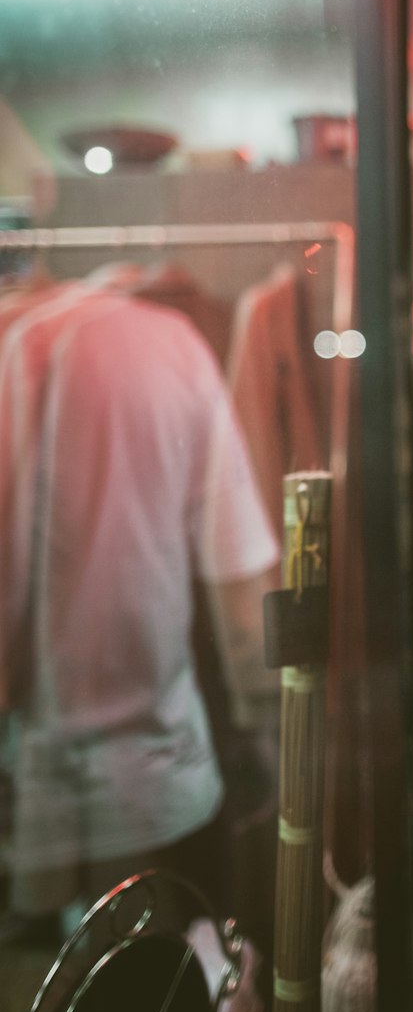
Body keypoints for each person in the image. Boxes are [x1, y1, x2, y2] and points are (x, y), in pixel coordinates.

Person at [0, 281, 280, 939]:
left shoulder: (24, 338)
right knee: (140, 957)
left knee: (59, 975)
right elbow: (236, 562)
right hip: (151, 744)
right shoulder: (178, 347)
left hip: (38, 740)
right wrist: (264, 716)